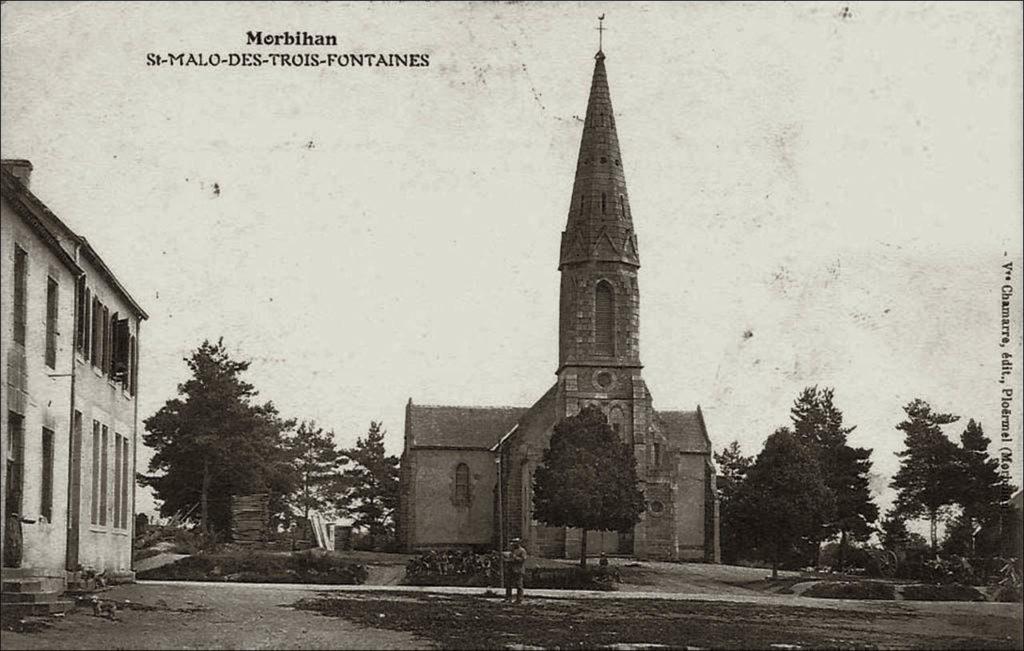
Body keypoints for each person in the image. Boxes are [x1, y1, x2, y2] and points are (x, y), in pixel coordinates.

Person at [503, 537, 528, 604]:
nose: (513, 544)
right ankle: (508, 598)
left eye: (515, 542)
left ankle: (519, 599)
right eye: (513, 542)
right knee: (508, 584)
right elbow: (510, 559)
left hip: (518, 570)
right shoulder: (512, 550)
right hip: (511, 569)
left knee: (519, 585)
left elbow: (522, 559)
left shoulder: (522, 550)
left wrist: (515, 557)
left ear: (519, 543)